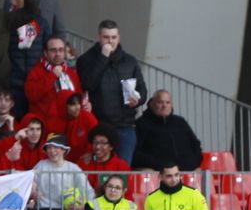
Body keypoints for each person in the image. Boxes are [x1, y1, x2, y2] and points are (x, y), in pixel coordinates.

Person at [75, 20, 146, 163]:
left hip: (125, 125)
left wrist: (137, 100)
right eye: (106, 37)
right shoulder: (86, 59)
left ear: (119, 37)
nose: (110, 41)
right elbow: (88, 84)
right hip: (99, 126)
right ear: (99, 37)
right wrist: (103, 58)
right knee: (99, 171)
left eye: (113, 37)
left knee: (123, 172)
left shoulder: (130, 61)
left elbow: (142, 89)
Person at [131, 89, 204, 172]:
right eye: (160, 102)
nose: (164, 105)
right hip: (157, 171)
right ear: (151, 104)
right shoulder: (141, 124)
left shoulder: (180, 122)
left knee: (203, 176)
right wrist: (161, 166)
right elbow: (136, 153)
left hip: (185, 169)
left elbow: (196, 146)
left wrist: (190, 164)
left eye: (167, 102)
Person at [23, 36, 84, 126]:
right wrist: (52, 76)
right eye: (53, 50)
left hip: (69, 125)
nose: (58, 54)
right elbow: (31, 95)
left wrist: (84, 104)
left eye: (61, 50)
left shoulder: (70, 72)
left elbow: (78, 95)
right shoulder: (36, 71)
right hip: (45, 126)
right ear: (46, 53)